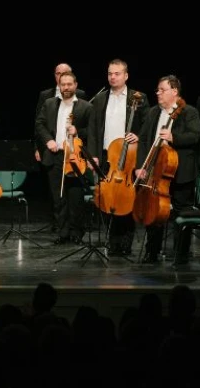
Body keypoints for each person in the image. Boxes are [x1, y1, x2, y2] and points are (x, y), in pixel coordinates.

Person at [135, 75, 200, 265]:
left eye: (162, 90)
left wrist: (174, 137)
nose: (158, 93)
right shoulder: (153, 112)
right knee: (154, 210)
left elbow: (194, 136)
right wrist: (141, 166)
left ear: (174, 91)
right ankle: (152, 252)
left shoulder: (189, 112)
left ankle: (181, 253)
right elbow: (144, 139)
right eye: (157, 90)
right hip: (155, 170)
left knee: (182, 213)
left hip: (181, 171)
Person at [86, 59, 149, 255]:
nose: (112, 77)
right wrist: (93, 155)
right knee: (107, 200)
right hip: (107, 157)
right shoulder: (100, 99)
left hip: (128, 156)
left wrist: (138, 136)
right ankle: (112, 242)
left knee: (126, 201)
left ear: (126, 76)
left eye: (117, 73)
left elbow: (147, 125)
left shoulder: (139, 98)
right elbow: (93, 129)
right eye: (110, 74)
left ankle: (125, 243)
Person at [35, 71, 92, 245]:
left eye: (69, 84)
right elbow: (40, 124)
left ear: (75, 85)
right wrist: (48, 140)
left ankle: (77, 233)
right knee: (58, 198)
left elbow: (93, 131)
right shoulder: (49, 103)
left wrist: (78, 131)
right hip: (55, 155)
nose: (66, 87)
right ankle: (63, 232)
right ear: (59, 86)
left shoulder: (86, 107)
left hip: (74, 156)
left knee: (75, 197)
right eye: (63, 84)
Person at [33, 63, 76, 231]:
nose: (61, 77)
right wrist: (39, 146)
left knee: (73, 193)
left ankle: (74, 228)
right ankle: (59, 226)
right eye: (58, 73)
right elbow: (39, 123)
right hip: (52, 150)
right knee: (56, 192)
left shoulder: (80, 96)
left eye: (65, 73)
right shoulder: (46, 97)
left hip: (73, 153)